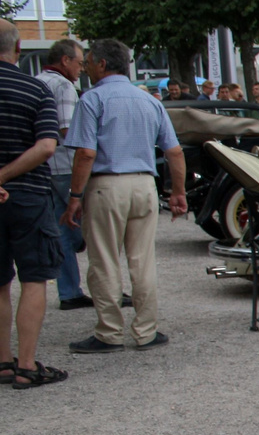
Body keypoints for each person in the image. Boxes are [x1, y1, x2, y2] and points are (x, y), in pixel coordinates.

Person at [60, 38, 185, 354]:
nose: (86, 67)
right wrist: (178, 192)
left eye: (89, 61)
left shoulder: (92, 99)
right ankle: (146, 330)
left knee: (103, 260)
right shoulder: (149, 101)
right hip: (144, 184)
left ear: (102, 64)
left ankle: (109, 332)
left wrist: (75, 196)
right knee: (143, 261)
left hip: (106, 185)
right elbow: (173, 151)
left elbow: (86, 154)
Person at [0, 19, 66, 388]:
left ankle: (2, 362)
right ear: (18, 49)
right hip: (28, 193)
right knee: (34, 277)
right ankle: (26, 364)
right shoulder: (36, 90)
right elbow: (45, 147)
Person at [37, 40, 89, 311]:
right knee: (78, 226)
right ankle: (78, 290)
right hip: (67, 166)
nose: (81, 69)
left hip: (43, 166)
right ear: (65, 60)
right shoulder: (64, 86)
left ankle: (68, 289)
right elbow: (69, 130)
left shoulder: (36, 81)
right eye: (79, 63)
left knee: (59, 229)